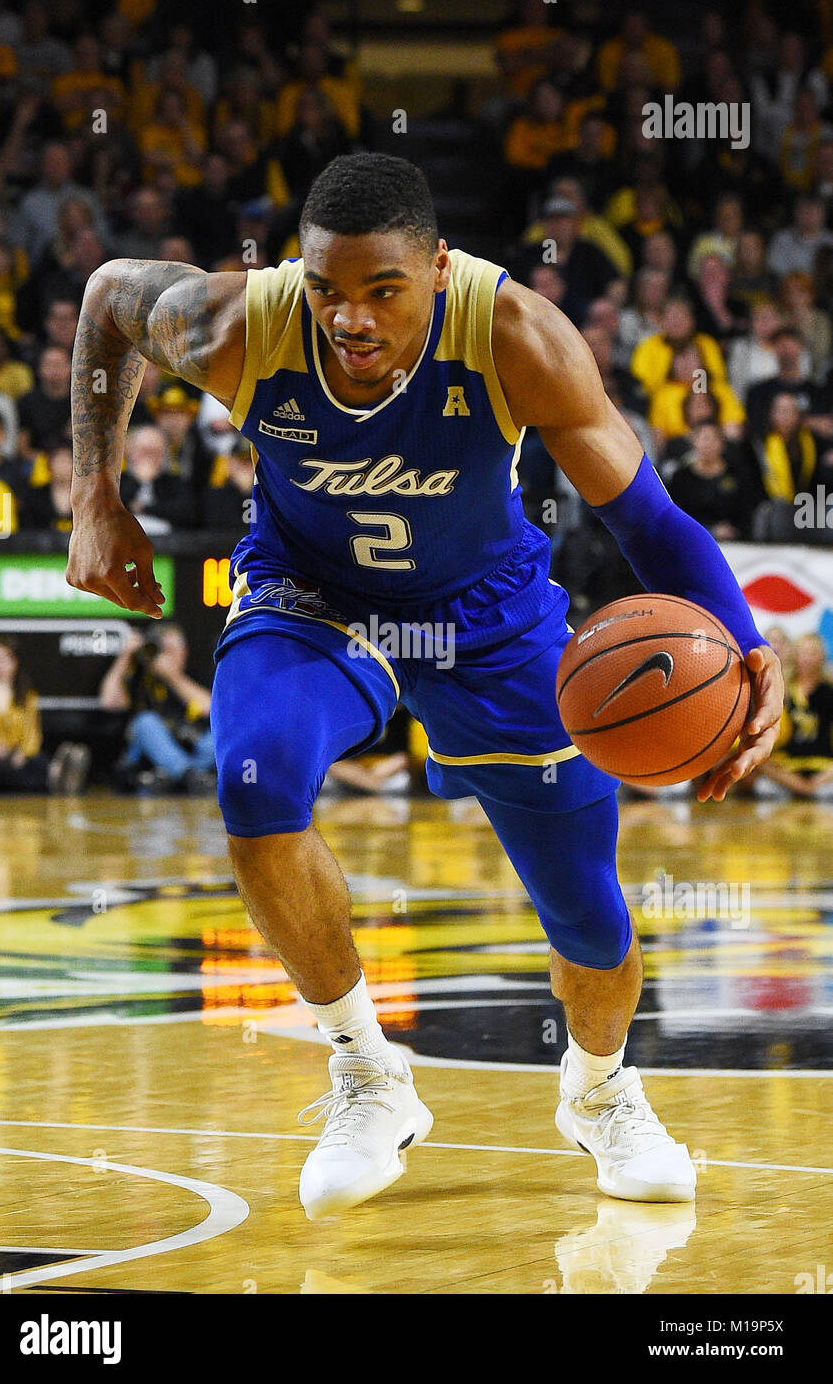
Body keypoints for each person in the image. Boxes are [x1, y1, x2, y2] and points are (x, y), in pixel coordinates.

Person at [66, 152, 783, 1223]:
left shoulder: (515, 335)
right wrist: (94, 493)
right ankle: (366, 1071)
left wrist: (747, 649)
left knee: (588, 915)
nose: (348, 319)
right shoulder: (235, 327)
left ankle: (599, 1091)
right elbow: (107, 297)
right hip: (312, 596)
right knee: (255, 779)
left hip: (487, 615)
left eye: (382, 290)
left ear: (438, 269)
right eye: (325, 288)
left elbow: (645, 518)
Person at [98, 623, 215, 794]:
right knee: (145, 722)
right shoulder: (139, 677)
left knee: (215, 738)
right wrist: (126, 656)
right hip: (147, 759)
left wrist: (173, 677)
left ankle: (178, 777)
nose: (167, 656)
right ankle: (187, 776)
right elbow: (109, 702)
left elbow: (211, 710)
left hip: (189, 751)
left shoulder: (195, 675)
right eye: (162, 650)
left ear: (184, 651)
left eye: (172, 650)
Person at [0, 635, 88, 793]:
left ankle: (58, 775)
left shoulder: (27, 697)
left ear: (15, 662)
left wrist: (21, 754)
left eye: (5, 660)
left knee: (37, 762)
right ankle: (53, 779)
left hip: (15, 759)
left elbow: (32, 737)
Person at [758, 634, 833, 798]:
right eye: (803, 652)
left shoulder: (828, 689)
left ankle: (805, 790)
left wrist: (824, 777)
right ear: (795, 655)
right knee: (759, 761)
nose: (807, 658)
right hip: (788, 765)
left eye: (812, 652)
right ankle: (806, 790)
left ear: (821, 656)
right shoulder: (783, 689)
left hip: (824, 764)